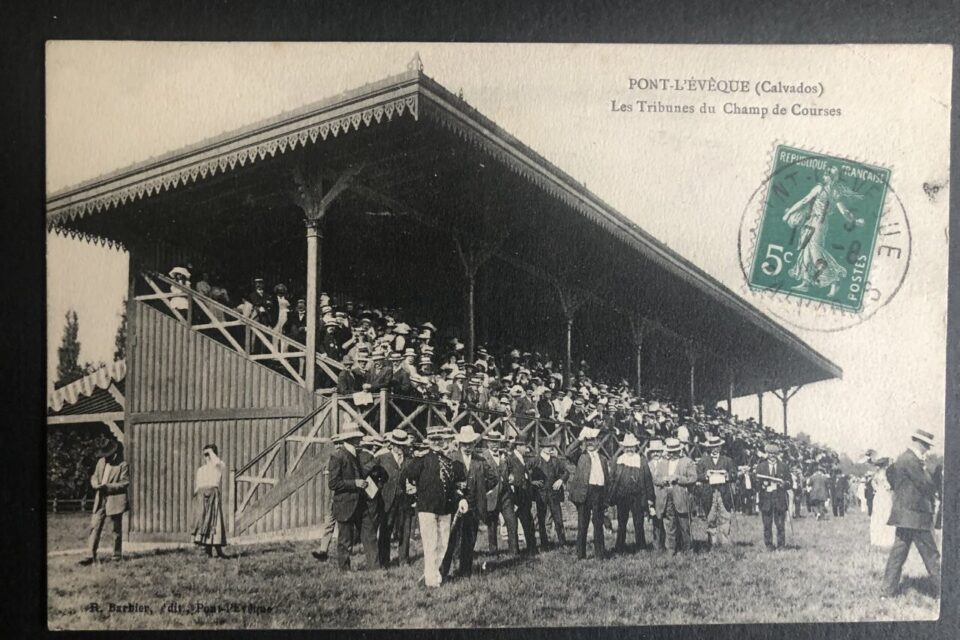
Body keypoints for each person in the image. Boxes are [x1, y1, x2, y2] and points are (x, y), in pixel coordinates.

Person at [782, 164, 866, 298]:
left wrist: (855, 221)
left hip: (818, 223)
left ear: (830, 177)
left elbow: (805, 202)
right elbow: (843, 211)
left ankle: (834, 280)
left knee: (815, 250)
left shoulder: (826, 190)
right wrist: (855, 221)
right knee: (806, 250)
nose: (827, 176)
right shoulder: (830, 191)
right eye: (828, 174)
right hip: (813, 222)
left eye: (830, 174)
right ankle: (805, 282)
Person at [881, 429, 941, 598]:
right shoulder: (911, 460)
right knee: (932, 556)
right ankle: (947, 592)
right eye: (927, 446)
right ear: (919, 443)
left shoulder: (903, 459)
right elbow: (926, 485)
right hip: (916, 516)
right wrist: (932, 473)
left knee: (897, 556)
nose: (927, 449)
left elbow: (892, 478)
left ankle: (887, 592)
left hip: (905, 516)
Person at [403, 429, 466, 588]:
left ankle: (431, 575)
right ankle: (432, 581)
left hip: (446, 508)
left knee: (443, 545)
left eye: (441, 439)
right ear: (430, 441)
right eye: (435, 440)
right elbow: (408, 476)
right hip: (427, 508)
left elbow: (457, 484)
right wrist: (415, 493)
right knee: (430, 544)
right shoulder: (421, 460)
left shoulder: (450, 462)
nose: (438, 443)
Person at [440, 426, 498, 579]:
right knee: (453, 539)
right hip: (455, 506)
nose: (467, 447)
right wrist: (455, 491)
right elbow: (444, 481)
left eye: (470, 444)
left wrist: (481, 491)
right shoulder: (452, 458)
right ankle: (448, 570)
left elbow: (494, 478)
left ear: (474, 444)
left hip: (473, 506)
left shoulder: (479, 460)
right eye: (464, 444)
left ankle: (466, 571)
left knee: (469, 539)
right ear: (459, 444)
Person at [327, 424, 371, 571]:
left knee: (368, 533)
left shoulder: (355, 454)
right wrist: (355, 483)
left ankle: (375, 566)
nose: (360, 439)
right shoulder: (338, 456)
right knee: (345, 540)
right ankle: (344, 570)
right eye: (358, 437)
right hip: (345, 503)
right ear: (351, 439)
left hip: (359, 502)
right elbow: (333, 483)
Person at [79, 440, 129, 565]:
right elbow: (94, 476)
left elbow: (124, 483)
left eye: (108, 455)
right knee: (95, 526)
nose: (105, 458)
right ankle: (90, 555)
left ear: (114, 454)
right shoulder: (100, 462)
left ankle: (116, 555)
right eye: (104, 455)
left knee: (115, 529)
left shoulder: (123, 465)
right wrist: (95, 483)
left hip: (115, 499)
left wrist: (107, 487)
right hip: (100, 498)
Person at [566, 427, 609, 560]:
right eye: (588, 441)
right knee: (582, 525)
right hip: (585, 492)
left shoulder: (602, 458)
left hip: (599, 492)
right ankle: (581, 555)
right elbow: (568, 452)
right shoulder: (580, 456)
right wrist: (579, 439)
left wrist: (606, 496)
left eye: (593, 441)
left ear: (598, 442)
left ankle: (600, 554)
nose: (591, 443)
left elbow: (607, 478)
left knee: (598, 524)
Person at [376, 429, 415, 568]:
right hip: (387, 500)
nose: (400, 448)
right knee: (386, 530)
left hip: (405, 500)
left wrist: (414, 488)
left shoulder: (410, 460)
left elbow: (415, 479)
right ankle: (384, 561)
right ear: (391, 444)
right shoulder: (382, 458)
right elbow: (374, 477)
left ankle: (404, 560)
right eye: (397, 445)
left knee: (405, 530)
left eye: (402, 446)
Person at [610, 433, 655, 552]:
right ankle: (620, 547)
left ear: (635, 447)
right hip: (622, 496)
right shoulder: (618, 460)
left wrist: (650, 498)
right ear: (623, 448)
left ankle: (641, 546)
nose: (629, 449)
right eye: (627, 447)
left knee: (638, 522)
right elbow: (612, 479)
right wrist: (610, 496)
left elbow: (648, 480)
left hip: (637, 496)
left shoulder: (641, 460)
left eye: (632, 446)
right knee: (622, 523)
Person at [652, 437, 698, 555]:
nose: (671, 454)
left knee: (684, 525)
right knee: (669, 524)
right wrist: (663, 480)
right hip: (666, 497)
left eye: (674, 452)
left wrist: (678, 478)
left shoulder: (687, 462)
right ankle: (671, 550)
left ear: (679, 451)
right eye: (669, 452)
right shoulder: (662, 463)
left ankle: (688, 550)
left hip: (682, 497)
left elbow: (693, 478)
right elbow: (656, 479)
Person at [481, 431, 519, 555]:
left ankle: (514, 551)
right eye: (492, 442)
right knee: (492, 524)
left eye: (496, 442)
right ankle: (493, 551)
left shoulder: (505, 456)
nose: (495, 445)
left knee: (511, 521)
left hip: (506, 495)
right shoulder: (483, 457)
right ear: (487, 443)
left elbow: (512, 468)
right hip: (491, 495)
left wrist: (512, 475)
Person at [696, 435, 737, 549]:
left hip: (724, 493)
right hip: (709, 494)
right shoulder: (703, 461)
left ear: (720, 447)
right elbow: (697, 476)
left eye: (717, 447)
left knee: (725, 516)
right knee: (711, 518)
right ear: (708, 448)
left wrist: (728, 475)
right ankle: (712, 543)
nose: (714, 449)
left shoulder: (727, 460)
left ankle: (725, 543)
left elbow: (735, 474)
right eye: (712, 447)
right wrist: (705, 475)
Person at [529, 434, 569, 547]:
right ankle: (544, 543)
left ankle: (563, 542)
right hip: (540, 494)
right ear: (542, 447)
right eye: (547, 446)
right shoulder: (535, 460)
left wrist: (561, 480)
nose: (549, 448)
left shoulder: (555, 461)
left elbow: (566, 472)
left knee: (558, 519)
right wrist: (532, 482)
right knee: (541, 520)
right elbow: (524, 472)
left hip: (554, 494)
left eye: (551, 446)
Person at [192, 444, 227, 558]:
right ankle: (207, 551)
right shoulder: (201, 469)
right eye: (204, 455)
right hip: (202, 495)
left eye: (208, 454)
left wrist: (211, 453)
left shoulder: (219, 466)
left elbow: (217, 462)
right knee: (203, 520)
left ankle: (219, 551)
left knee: (214, 521)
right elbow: (198, 485)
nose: (206, 457)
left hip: (213, 494)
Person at [756, 444, 792, 551]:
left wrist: (784, 484)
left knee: (780, 524)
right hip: (766, 499)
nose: (772, 455)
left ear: (777, 454)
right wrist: (762, 485)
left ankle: (781, 545)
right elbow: (756, 484)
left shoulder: (784, 466)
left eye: (774, 454)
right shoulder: (761, 466)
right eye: (770, 453)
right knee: (767, 524)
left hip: (779, 499)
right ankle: (769, 545)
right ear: (767, 454)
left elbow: (790, 482)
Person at [868, 456, 896, 548]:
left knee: (877, 515)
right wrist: (888, 488)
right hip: (884, 495)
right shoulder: (886, 474)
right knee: (886, 514)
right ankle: (886, 538)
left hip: (878, 495)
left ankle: (876, 538)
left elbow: (872, 483)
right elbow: (888, 486)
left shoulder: (876, 474)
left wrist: (876, 489)